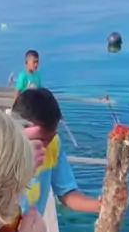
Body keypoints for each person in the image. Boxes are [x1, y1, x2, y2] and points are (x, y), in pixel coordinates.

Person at [12, 88, 101, 217]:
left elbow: (67, 193)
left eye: (51, 138)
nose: (44, 147)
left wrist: (102, 206)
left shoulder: (53, 144)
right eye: (41, 139)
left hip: (32, 228)